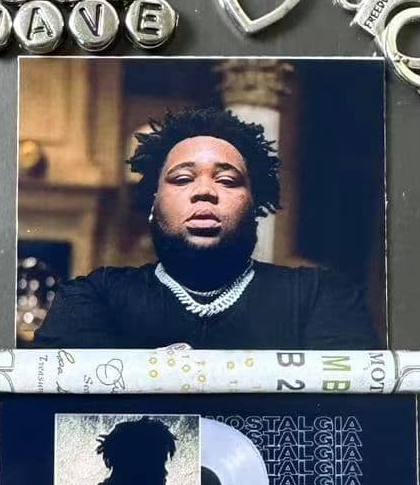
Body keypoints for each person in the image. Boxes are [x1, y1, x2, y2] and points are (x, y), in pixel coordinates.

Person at [32, 105, 379, 348]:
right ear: (153, 204)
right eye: (182, 179)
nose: (204, 191)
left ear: (254, 207)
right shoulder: (93, 296)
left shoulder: (320, 296)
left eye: (227, 181)